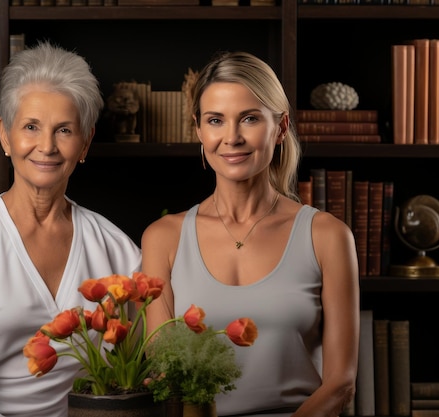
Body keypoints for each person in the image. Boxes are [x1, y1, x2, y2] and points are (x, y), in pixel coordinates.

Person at [0, 41, 142, 417]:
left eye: (64, 130)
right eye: (31, 127)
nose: (46, 146)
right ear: (5, 135)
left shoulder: (117, 249)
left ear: (85, 143)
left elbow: (133, 375)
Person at [142, 51, 359, 417]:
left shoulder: (327, 235)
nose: (232, 137)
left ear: (281, 127)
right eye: (216, 120)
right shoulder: (163, 238)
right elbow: (165, 371)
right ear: (198, 128)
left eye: (250, 119)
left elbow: (341, 384)